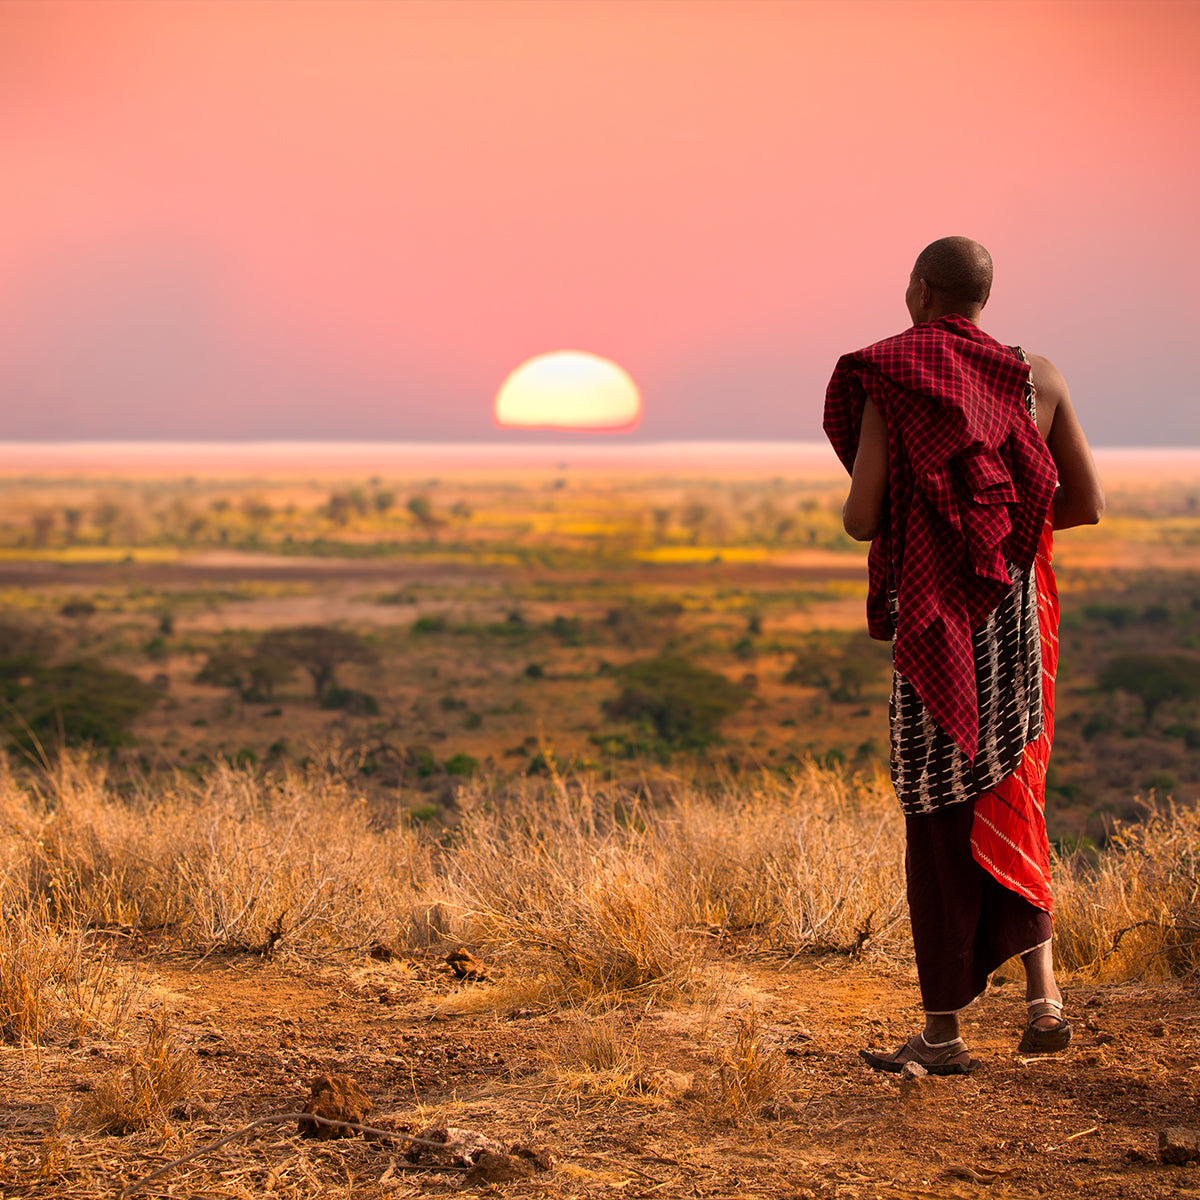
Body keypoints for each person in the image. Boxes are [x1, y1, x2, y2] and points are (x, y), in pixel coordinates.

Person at [823, 236, 1105, 1074]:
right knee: (1011, 792)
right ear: (983, 296)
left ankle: (942, 1033)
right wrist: (996, 532)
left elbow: (861, 517)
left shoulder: (891, 378)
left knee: (939, 812)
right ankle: (1044, 1000)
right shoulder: (1039, 377)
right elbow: (1083, 502)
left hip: (936, 626)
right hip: (1012, 618)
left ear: (918, 291)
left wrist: (942, 536)